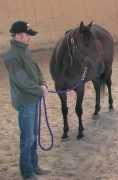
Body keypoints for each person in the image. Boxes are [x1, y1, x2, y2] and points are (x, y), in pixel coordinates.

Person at [3, 20, 50, 180]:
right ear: (19, 35)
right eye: (28, 35)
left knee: (33, 135)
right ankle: (27, 172)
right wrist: (40, 90)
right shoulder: (11, 56)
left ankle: (34, 165)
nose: (30, 38)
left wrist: (43, 82)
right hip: (25, 102)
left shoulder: (26, 51)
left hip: (34, 98)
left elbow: (37, 70)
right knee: (28, 137)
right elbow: (21, 80)